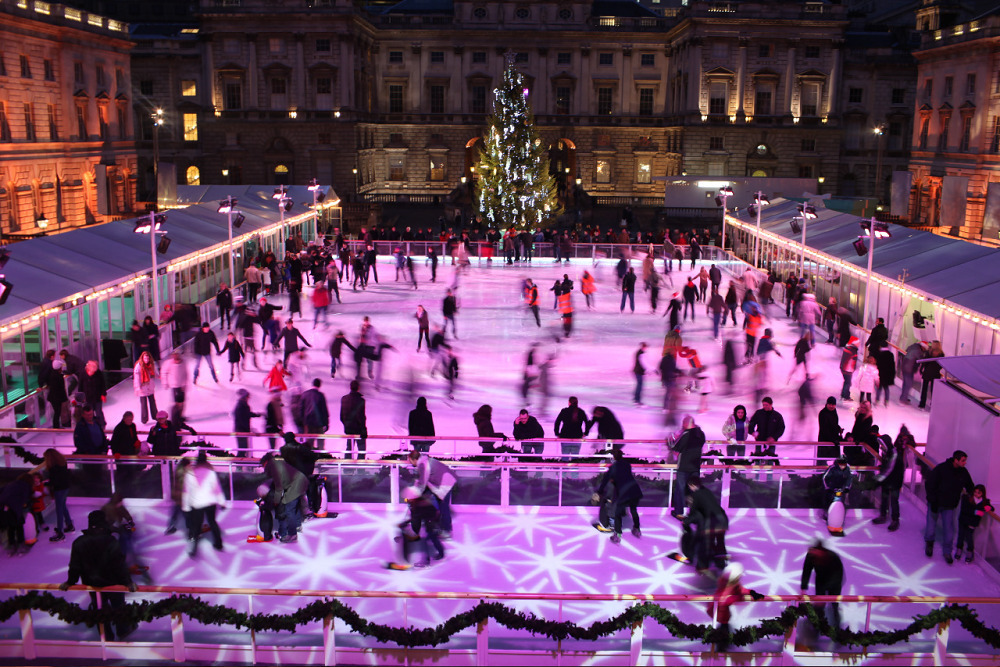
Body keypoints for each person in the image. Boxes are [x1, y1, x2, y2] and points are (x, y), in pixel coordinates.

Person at [58, 511, 137, 640]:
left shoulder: (79, 542)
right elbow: (119, 565)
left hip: (93, 584)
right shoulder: (111, 541)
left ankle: (106, 634)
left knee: (100, 607)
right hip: (113, 583)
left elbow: (75, 566)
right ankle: (122, 630)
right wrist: (127, 582)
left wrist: (70, 582)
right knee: (118, 606)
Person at [924, 449, 974, 563]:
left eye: (965, 460)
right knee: (931, 526)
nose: (965, 463)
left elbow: (970, 486)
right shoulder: (941, 469)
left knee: (949, 529)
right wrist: (933, 500)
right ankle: (929, 544)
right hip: (935, 503)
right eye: (963, 460)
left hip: (949, 506)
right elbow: (930, 484)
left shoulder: (963, 472)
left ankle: (947, 551)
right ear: (955, 460)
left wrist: (975, 496)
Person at [182, 450, 226, 557]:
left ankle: (193, 549)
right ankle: (219, 544)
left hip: (197, 503)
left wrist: (186, 506)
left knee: (196, 527)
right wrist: (222, 502)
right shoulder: (211, 473)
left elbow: (186, 491)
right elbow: (217, 489)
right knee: (212, 522)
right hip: (210, 502)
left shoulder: (190, 473)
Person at [594, 448, 643, 544]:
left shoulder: (613, 468)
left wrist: (599, 491)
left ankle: (617, 535)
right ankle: (637, 529)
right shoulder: (627, 465)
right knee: (633, 511)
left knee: (618, 513)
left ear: (613, 458)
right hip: (634, 490)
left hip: (623, 493)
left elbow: (605, 481)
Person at [407, 449, 457, 538]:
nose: (410, 462)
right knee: (439, 506)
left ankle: (447, 531)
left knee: (443, 508)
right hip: (445, 482)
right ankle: (439, 526)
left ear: (414, 459)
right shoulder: (425, 460)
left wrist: (414, 495)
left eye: (410, 460)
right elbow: (424, 478)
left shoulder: (423, 464)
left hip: (445, 485)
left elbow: (422, 483)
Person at [260, 452, 308, 543]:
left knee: (289, 510)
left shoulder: (273, 468)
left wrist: (276, 501)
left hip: (296, 485)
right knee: (294, 506)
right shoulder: (277, 463)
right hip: (301, 481)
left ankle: (292, 534)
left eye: (263, 465)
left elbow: (278, 487)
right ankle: (297, 526)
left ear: (265, 462)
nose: (263, 468)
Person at [684, 476, 728, 573]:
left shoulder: (697, 496)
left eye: (689, 486)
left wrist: (686, 521)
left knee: (707, 544)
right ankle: (720, 563)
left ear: (692, 485)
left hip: (712, 523)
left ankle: (703, 566)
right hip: (722, 520)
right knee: (720, 542)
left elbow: (693, 514)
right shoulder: (707, 492)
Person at [801, 539, 845, 636]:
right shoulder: (811, 555)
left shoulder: (833, 557)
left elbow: (838, 576)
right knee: (819, 606)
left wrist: (825, 597)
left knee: (834, 606)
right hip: (820, 581)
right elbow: (806, 570)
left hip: (834, 584)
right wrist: (803, 588)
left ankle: (837, 630)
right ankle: (817, 626)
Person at [873, 424, 909, 532]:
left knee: (894, 501)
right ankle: (883, 515)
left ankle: (895, 519)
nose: (880, 447)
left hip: (894, 482)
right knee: (884, 498)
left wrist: (878, 479)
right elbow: (886, 466)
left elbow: (889, 469)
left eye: (882, 445)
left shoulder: (894, 454)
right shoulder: (887, 453)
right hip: (888, 481)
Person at [710, 563, 753, 653]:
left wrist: (750, 592)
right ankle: (721, 648)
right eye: (739, 577)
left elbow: (739, 589)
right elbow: (727, 600)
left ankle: (722, 643)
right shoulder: (725, 591)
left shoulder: (730, 583)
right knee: (723, 629)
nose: (740, 578)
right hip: (721, 615)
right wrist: (740, 598)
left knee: (724, 627)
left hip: (724, 614)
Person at [669, 415, 705, 519]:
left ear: (686, 423)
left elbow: (675, 448)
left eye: (683, 423)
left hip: (684, 467)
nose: (682, 425)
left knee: (680, 490)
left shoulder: (685, 434)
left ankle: (679, 512)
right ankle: (695, 513)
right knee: (695, 491)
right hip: (695, 467)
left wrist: (671, 438)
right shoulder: (701, 434)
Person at [37, 448, 74, 542]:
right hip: (66, 487)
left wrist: (46, 483)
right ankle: (69, 525)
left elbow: (55, 481)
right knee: (63, 506)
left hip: (59, 490)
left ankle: (60, 533)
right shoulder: (62, 463)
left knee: (59, 510)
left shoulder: (53, 468)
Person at [956, 484, 993, 564]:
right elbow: (964, 509)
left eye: (979, 492)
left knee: (969, 537)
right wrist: (975, 512)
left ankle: (970, 552)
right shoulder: (967, 498)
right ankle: (959, 549)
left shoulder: (984, 502)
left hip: (972, 523)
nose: (976, 494)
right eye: (975, 492)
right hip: (963, 520)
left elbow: (991, 507)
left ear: (982, 493)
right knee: (961, 536)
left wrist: (989, 508)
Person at [340, 380, 368, 459]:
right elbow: (361, 417)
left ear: (350, 387)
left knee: (349, 448)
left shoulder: (344, 399)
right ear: (358, 388)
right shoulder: (361, 400)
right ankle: (360, 468)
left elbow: (341, 416)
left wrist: (347, 425)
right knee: (361, 449)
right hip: (358, 429)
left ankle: (347, 468)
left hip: (349, 429)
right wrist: (363, 429)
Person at [301, 378, 330, 448]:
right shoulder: (320, 395)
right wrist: (326, 423)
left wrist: (302, 422)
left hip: (308, 423)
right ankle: (320, 457)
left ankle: (309, 457)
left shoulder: (305, 394)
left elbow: (301, 409)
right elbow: (324, 410)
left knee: (309, 443)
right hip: (319, 423)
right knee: (320, 443)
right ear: (319, 385)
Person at [132, 351, 158, 424]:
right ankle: (144, 419)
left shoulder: (151, 365)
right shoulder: (138, 366)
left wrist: (159, 376)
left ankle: (155, 416)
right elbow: (136, 378)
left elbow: (154, 373)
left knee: (152, 402)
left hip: (150, 386)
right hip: (142, 388)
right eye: (145, 358)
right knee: (144, 404)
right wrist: (137, 388)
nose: (146, 359)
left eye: (148, 358)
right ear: (142, 358)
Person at [918, 340, 944, 410]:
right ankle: (933, 406)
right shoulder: (941, 354)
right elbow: (941, 365)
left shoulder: (929, 352)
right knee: (933, 391)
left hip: (927, 373)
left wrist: (922, 368)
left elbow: (924, 362)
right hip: (935, 374)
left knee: (924, 389)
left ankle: (922, 404)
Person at [899, 341, 927, 405]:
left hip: (905, 365)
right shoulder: (918, 351)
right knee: (908, 384)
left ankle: (903, 397)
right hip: (909, 368)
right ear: (923, 347)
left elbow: (907, 349)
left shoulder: (913, 346)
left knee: (905, 383)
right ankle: (903, 399)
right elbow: (921, 359)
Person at [233, 389, 259, 457]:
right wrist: (247, 428)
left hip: (242, 430)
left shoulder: (242, 404)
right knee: (242, 449)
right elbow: (243, 417)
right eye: (248, 396)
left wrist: (256, 415)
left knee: (243, 449)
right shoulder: (241, 405)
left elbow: (246, 414)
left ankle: (242, 465)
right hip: (241, 430)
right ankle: (239, 466)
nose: (249, 398)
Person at [816, 397, 843, 462]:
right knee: (822, 461)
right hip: (825, 441)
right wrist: (833, 440)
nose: (831, 406)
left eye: (833, 404)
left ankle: (835, 472)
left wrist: (838, 428)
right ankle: (820, 472)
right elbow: (824, 429)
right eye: (829, 404)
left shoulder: (834, 412)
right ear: (826, 404)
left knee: (835, 460)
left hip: (833, 440)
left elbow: (833, 424)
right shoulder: (822, 413)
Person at [839, 337, 860, 401]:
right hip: (848, 369)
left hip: (844, 368)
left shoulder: (847, 348)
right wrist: (852, 369)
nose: (859, 344)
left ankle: (843, 395)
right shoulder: (852, 350)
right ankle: (846, 396)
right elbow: (852, 361)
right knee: (848, 383)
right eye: (858, 343)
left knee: (846, 382)